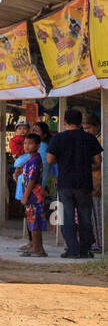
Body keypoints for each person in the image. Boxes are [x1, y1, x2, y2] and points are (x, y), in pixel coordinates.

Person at [45, 109, 103, 258]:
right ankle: (85, 250)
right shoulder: (89, 138)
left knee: (67, 216)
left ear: (64, 122)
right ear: (80, 123)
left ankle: (72, 249)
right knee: (85, 216)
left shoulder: (58, 138)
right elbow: (98, 161)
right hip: (84, 183)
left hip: (65, 183)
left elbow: (50, 159)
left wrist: (64, 161)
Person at [18, 133, 49, 257]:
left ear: (37, 146)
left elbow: (32, 179)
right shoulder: (30, 159)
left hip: (34, 194)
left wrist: (25, 196)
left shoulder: (36, 159)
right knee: (32, 221)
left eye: (30, 143)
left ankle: (38, 248)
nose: (26, 146)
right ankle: (37, 247)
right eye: (25, 143)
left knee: (35, 221)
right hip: (31, 194)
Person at [84, 113, 103, 254]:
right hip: (95, 180)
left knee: (98, 215)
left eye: (88, 128)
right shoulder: (94, 139)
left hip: (98, 181)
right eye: (84, 128)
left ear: (97, 126)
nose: (86, 131)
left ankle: (100, 243)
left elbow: (98, 164)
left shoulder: (101, 140)